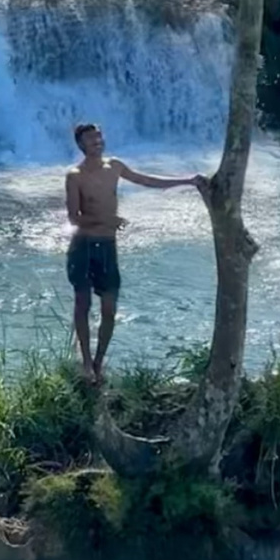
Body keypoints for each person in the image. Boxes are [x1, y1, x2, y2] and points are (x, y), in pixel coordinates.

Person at [63, 121, 209, 384]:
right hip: (83, 246)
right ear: (81, 145)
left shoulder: (115, 166)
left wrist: (187, 180)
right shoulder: (75, 175)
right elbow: (74, 218)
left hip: (107, 247)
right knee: (82, 304)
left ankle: (99, 362)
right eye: (91, 139)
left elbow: (146, 180)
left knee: (109, 309)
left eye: (99, 136)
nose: (97, 141)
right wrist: (106, 222)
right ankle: (85, 363)